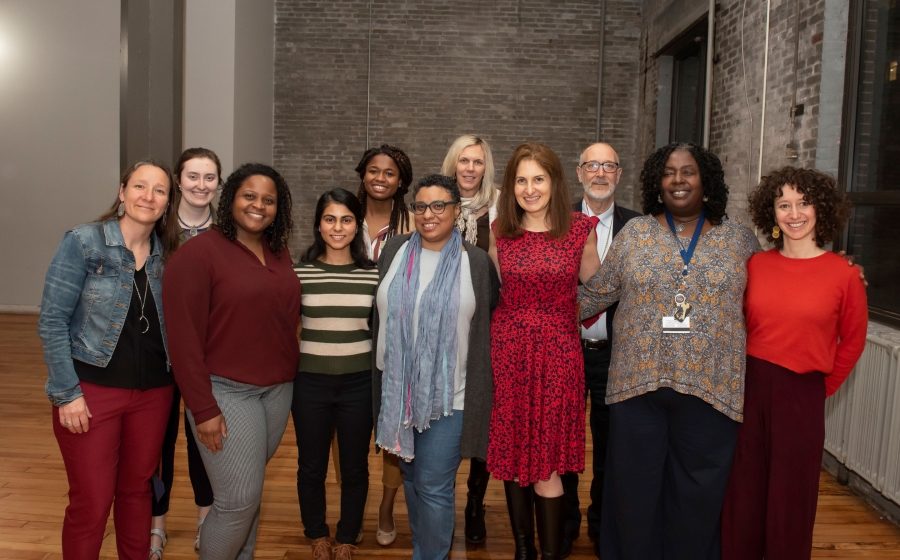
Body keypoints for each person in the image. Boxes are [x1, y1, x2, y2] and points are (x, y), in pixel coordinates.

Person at [577, 142, 759, 560]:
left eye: (689, 172)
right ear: (657, 184)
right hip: (638, 391)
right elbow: (595, 296)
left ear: (706, 181)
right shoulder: (636, 233)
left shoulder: (739, 240)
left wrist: (827, 269)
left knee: (698, 494)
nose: (678, 180)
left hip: (712, 391)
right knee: (634, 492)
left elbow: (773, 292)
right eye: (669, 173)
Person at [720, 167, 868, 560]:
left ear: (821, 209)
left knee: (791, 497)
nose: (795, 213)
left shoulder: (845, 275)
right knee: (745, 490)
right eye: (784, 204)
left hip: (802, 393)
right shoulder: (754, 266)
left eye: (804, 203)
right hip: (750, 388)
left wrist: (820, 388)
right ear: (772, 213)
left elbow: (852, 341)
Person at [38, 159, 180, 560]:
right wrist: (66, 393)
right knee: (92, 502)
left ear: (168, 203)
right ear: (122, 192)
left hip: (154, 394)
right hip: (90, 394)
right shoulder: (84, 242)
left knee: (137, 493)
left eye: (159, 190)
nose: (148, 197)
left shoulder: (169, 256)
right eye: (139, 186)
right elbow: (51, 322)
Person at [162, 163, 300, 560]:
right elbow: (183, 339)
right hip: (225, 393)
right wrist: (202, 408)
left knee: (249, 495)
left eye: (269, 200)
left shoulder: (278, 252)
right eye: (249, 196)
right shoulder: (198, 254)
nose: (259, 205)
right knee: (236, 501)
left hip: (276, 392)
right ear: (231, 199)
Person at [373, 174, 500, 560]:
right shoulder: (393, 250)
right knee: (410, 479)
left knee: (432, 484)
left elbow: (487, 326)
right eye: (421, 206)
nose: (429, 214)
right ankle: (427, 548)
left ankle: (430, 554)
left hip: (451, 396)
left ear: (456, 211)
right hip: (397, 392)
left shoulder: (474, 262)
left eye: (439, 206)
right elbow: (378, 318)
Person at [488, 142, 600, 560]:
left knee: (548, 463)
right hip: (509, 354)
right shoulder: (500, 231)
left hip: (558, 357)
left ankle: (551, 554)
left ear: (554, 181)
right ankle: (523, 550)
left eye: (538, 179)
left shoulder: (578, 230)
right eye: (521, 180)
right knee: (514, 451)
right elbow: (490, 292)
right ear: (510, 185)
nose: (530, 188)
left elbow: (601, 289)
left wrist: (566, 313)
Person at [560, 142, 641, 559]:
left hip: (619, 354)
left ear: (620, 174)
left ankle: (601, 524)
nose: (600, 173)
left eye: (608, 166)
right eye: (592, 165)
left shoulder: (642, 228)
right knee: (567, 442)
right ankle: (566, 522)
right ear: (578, 172)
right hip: (566, 350)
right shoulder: (557, 221)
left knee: (612, 444)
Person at [292, 189, 379, 560]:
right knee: (311, 465)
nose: (337, 227)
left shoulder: (373, 274)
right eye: (330, 219)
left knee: (354, 466)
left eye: (346, 219)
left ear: (356, 225)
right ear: (318, 224)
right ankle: (317, 534)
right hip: (309, 382)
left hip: (358, 383)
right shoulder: (300, 273)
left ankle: (346, 536)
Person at [151, 147, 220, 558]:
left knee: (204, 446)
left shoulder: (227, 234)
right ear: (178, 181)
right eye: (192, 176)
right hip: (157, 355)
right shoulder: (156, 230)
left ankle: (205, 523)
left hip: (207, 358)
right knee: (157, 447)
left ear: (218, 183)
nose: (200, 185)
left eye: (209, 177)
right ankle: (156, 527)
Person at [439, 133, 499, 544]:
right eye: (463, 161)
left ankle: (475, 501)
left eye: (477, 161)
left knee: (484, 410)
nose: (470, 168)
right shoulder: (435, 201)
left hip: (489, 321)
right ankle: (436, 489)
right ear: (453, 164)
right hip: (443, 320)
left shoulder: (498, 208)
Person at [354, 143, 414, 545]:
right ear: (362, 174)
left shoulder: (413, 221)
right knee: (351, 432)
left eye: (389, 172)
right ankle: (352, 504)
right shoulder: (343, 214)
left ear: (400, 181)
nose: (380, 178)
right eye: (373, 170)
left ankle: (387, 506)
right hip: (351, 338)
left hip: (398, 340)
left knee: (394, 429)